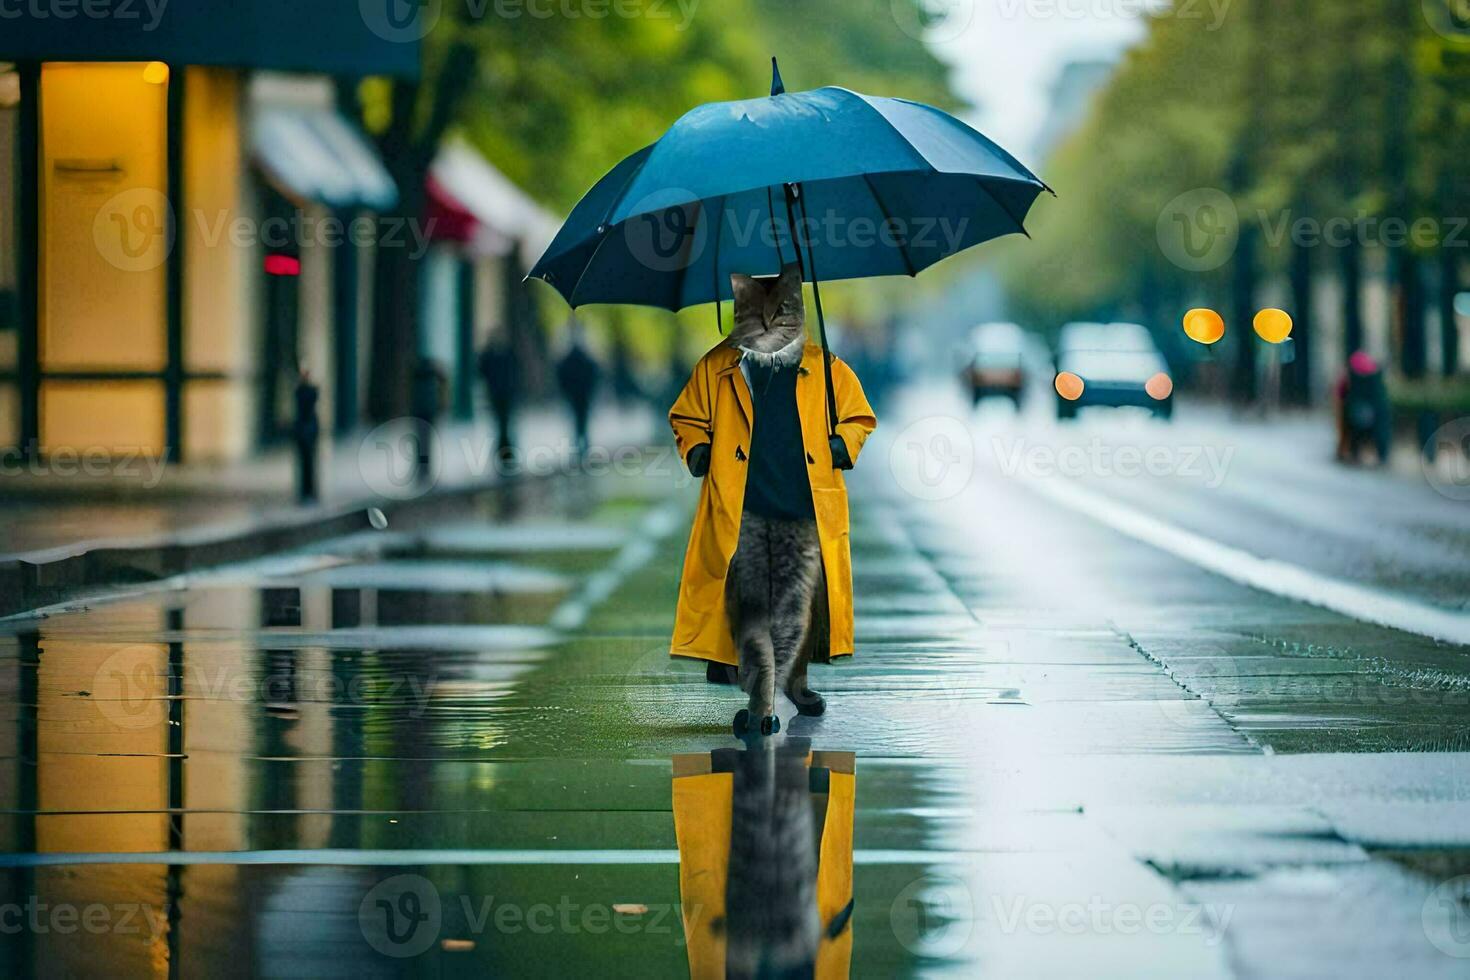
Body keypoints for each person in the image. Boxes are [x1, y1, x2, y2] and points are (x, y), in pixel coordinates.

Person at [555, 320, 603, 458]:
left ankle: (581, 445)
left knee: (581, 419)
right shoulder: (581, 357)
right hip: (578, 393)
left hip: (580, 393)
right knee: (580, 419)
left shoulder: (579, 356)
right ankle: (581, 445)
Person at [1334, 350, 1391, 465]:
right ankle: (1382, 456)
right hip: (1376, 415)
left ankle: (1353, 453)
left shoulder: (1351, 378)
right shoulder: (1376, 380)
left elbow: (1340, 394)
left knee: (1351, 426)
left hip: (1356, 414)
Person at [478, 336, 519, 465]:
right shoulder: (490, 355)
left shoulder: (507, 354)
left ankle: (506, 453)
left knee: (504, 424)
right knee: (502, 425)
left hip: (505, 394)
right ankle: (505, 453)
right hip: (496, 394)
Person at [293, 370, 320, 503]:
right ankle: (306, 492)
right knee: (306, 464)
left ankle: (309, 492)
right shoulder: (302, 391)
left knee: (309, 464)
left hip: (307, 431)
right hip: (305, 431)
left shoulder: (306, 391)